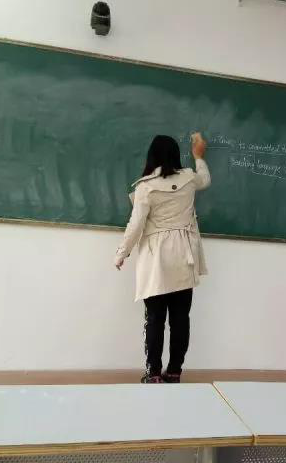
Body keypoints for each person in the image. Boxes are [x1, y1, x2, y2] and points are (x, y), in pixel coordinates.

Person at [114, 132, 211, 383]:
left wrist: (121, 253)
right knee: (180, 318)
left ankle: (154, 373)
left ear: (152, 156)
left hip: (156, 258)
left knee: (155, 318)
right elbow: (205, 179)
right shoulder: (189, 178)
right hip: (184, 255)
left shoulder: (146, 187)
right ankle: (175, 371)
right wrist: (199, 156)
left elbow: (136, 225)